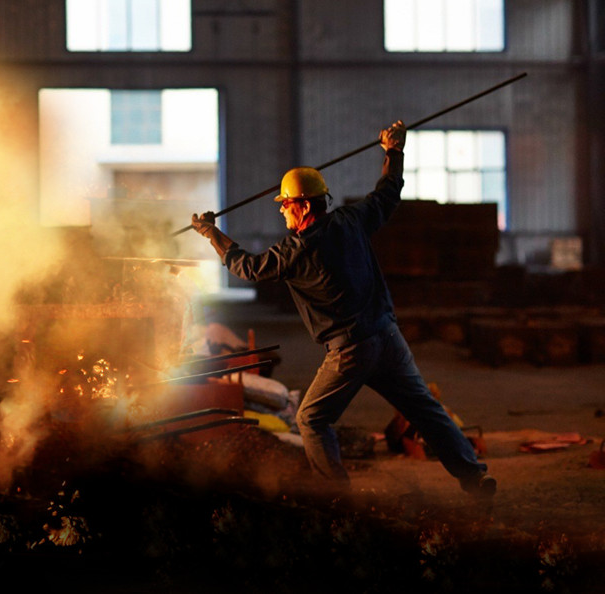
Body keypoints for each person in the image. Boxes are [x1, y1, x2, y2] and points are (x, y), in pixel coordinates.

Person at [190, 121, 496, 499]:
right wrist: (394, 152)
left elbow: (247, 267)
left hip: (350, 350)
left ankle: (337, 499)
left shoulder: (296, 250)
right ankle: (474, 477)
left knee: (311, 418)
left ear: (302, 205)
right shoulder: (351, 220)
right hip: (387, 338)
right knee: (426, 411)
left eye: (285, 205)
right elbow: (387, 194)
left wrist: (212, 235)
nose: (281, 212)